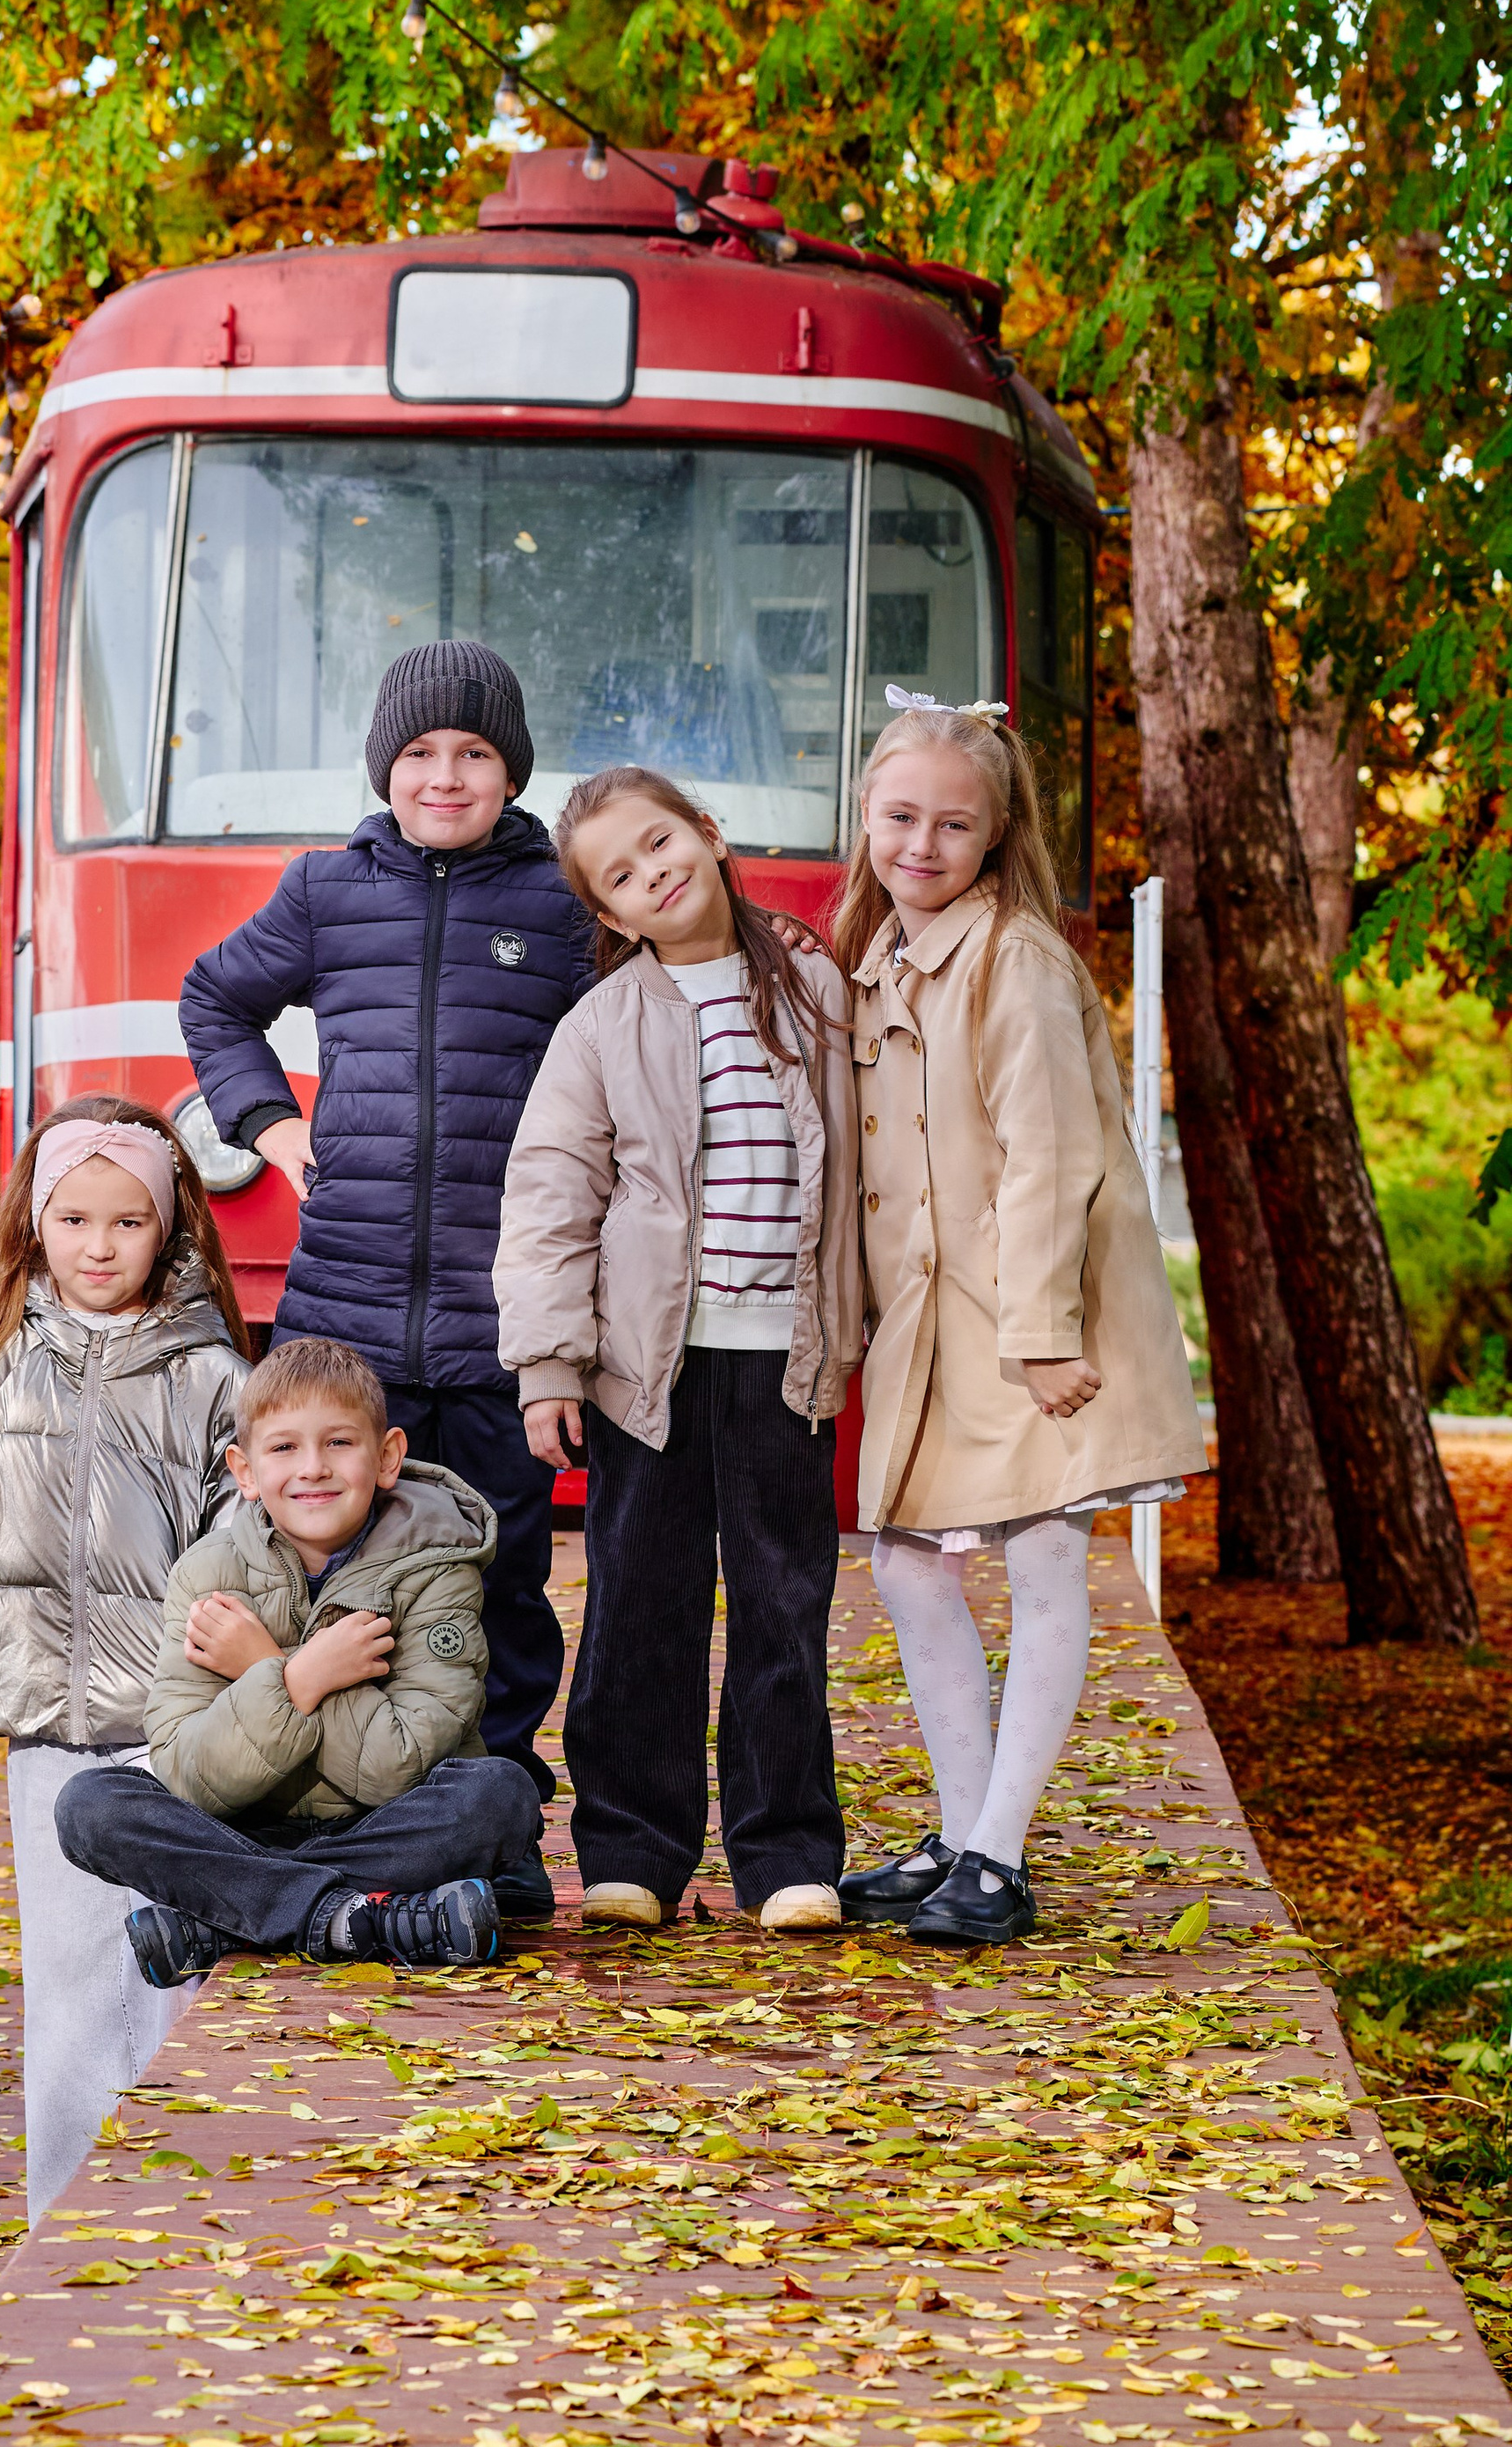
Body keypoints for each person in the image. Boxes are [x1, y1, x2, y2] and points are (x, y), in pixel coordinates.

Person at [179, 641, 590, 1920]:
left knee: (503, 1577)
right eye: (421, 754)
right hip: (344, 1318)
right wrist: (270, 1125)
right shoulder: (323, 892)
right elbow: (214, 999)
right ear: (387, 767)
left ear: (510, 770)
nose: (447, 776)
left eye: (473, 754)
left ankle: (498, 1822)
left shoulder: (564, 904)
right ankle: (340, 1817)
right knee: (331, 1572)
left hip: (499, 1315)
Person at [833, 693, 1208, 1945]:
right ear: (869, 816)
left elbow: (1055, 1159)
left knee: (1045, 1558)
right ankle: (964, 1828)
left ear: (998, 837)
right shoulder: (877, 952)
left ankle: (997, 1856)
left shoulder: (1019, 958)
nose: (921, 845)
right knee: (906, 1563)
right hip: (934, 1323)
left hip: (1033, 1321)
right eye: (900, 817)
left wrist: (1043, 1335)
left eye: (953, 825)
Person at [496, 767, 862, 1935]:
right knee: (641, 1605)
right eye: (622, 874)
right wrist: (550, 1363)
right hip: (645, 1370)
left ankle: (785, 1853)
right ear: (612, 915)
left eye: (662, 842)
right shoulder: (604, 1026)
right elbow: (553, 1196)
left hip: (785, 1357)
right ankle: (634, 1850)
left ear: (707, 833)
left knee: (780, 1602)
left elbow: (872, 1169)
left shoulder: (815, 990)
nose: (654, 871)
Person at [0, 1099, 250, 2214]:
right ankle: (62, 2226)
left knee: (172, 1981)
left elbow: (261, 1536)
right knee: (66, 1991)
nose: (100, 1247)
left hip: (180, 1740)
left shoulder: (215, 1378)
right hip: (49, 1736)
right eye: (76, 1220)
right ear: (34, 1224)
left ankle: (171, 2223)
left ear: (173, 1228)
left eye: (129, 1223)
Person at [54, 1335, 543, 1980]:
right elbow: (190, 1772)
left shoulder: (438, 1571)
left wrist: (269, 1667)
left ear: (388, 1456)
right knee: (91, 1806)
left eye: (339, 1443)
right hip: (244, 1834)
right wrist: (298, 1677)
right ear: (246, 1471)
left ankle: (235, 1917)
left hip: (389, 1828)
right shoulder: (208, 1575)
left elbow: (402, 1766)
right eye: (284, 1447)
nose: (312, 1467)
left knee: (500, 1794)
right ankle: (369, 1917)